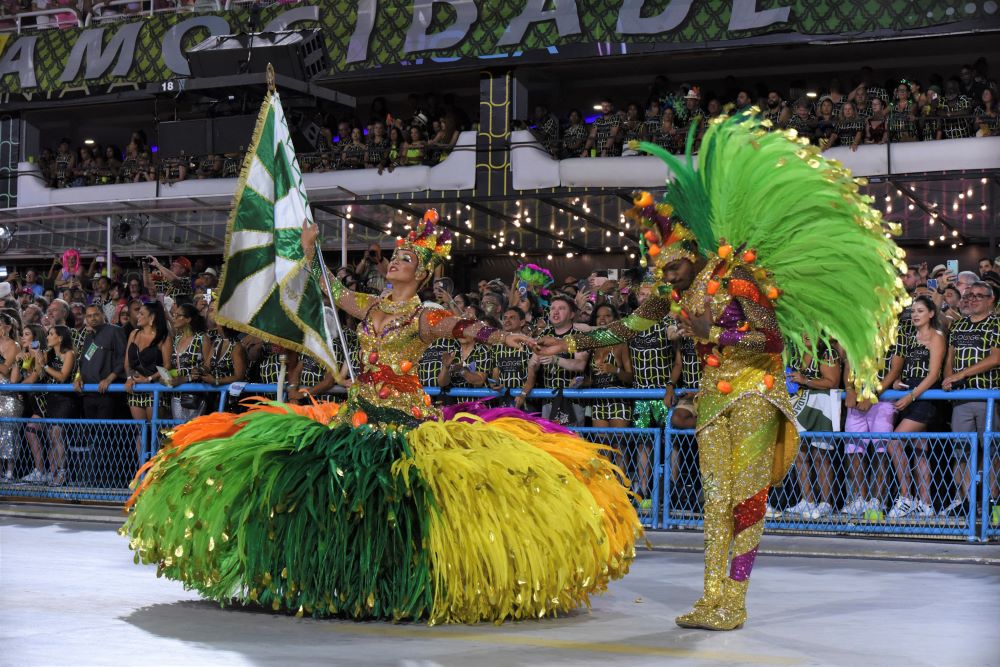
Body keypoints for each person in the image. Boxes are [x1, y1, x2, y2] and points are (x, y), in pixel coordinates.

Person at [122, 210, 640, 624]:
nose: (394, 261)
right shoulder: (369, 306)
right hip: (355, 414)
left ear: (422, 273)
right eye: (394, 256)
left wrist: (513, 337)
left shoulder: (424, 315)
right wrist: (309, 254)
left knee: (397, 507)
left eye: (405, 258)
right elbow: (328, 289)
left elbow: (471, 330)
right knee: (334, 498)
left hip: (405, 424)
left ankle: (402, 585)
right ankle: (340, 581)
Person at [537, 112, 907, 630]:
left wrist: (716, 333)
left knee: (747, 498)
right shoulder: (676, 291)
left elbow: (771, 338)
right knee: (714, 502)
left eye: (673, 266)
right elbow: (628, 327)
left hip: (756, 392)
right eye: (661, 269)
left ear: (692, 250)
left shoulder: (736, 277)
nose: (667, 276)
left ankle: (734, 603)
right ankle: (710, 598)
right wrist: (569, 340)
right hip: (712, 397)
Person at [941, 282, 1000, 515]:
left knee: (992, 452)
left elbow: (996, 358)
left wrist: (960, 375)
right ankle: (965, 502)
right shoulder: (958, 326)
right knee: (962, 452)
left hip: (988, 397)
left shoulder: (997, 322)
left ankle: (991, 502)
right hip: (961, 399)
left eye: (978, 296)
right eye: (969, 295)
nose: (972, 299)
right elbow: (949, 358)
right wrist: (948, 379)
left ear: (991, 300)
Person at [886, 296, 946, 519]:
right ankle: (925, 502)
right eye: (913, 311)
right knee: (920, 450)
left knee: (894, 442)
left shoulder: (937, 337)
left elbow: (933, 375)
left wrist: (911, 396)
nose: (915, 314)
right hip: (908, 393)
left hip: (924, 396)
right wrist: (895, 382)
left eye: (920, 310)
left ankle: (906, 497)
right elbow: (900, 367)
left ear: (931, 313)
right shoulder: (909, 337)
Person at [28, 326, 77, 486]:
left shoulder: (69, 353)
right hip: (50, 400)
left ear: (60, 338)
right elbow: (39, 373)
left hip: (64, 400)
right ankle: (53, 471)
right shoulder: (47, 354)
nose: (47, 337)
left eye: (51, 334)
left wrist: (46, 366)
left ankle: (63, 471)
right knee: (51, 437)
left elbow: (63, 376)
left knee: (57, 434)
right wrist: (37, 359)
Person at [123, 302, 172, 458]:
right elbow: (126, 363)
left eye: (142, 313)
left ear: (152, 317)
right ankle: (142, 472)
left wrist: (149, 379)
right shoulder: (134, 334)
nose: (138, 316)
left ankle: (157, 473)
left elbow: (167, 367)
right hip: (135, 390)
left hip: (155, 390)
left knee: (156, 432)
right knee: (141, 431)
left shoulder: (163, 337)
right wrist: (130, 377)